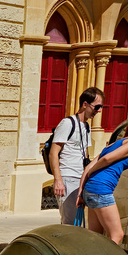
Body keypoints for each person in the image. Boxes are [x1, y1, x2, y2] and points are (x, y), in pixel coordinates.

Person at [76, 117, 128, 244]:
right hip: (101, 190)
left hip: (90, 189)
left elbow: (87, 168)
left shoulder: (113, 144)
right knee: (117, 235)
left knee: (95, 236)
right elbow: (106, 159)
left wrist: (80, 194)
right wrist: (91, 172)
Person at [49, 87, 105, 224]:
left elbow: (84, 153)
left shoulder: (86, 126)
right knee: (69, 222)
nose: (99, 111)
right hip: (67, 178)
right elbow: (53, 153)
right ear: (85, 104)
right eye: (97, 107)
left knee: (77, 222)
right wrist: (58, 180)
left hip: (80, 179)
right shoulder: (67, 123)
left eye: (101, 107)